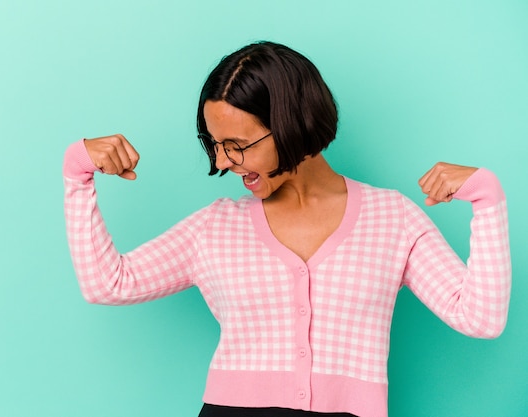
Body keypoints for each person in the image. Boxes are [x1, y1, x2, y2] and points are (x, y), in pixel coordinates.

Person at [63, 42, 511, 417]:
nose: (221, 162)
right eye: (215, 145)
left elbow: (479, 317)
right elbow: (108, 283)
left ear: (291, 123)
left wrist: (487, 199)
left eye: (237, 146)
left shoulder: (392, 218)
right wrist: (77, 174)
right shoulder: (215, 227)